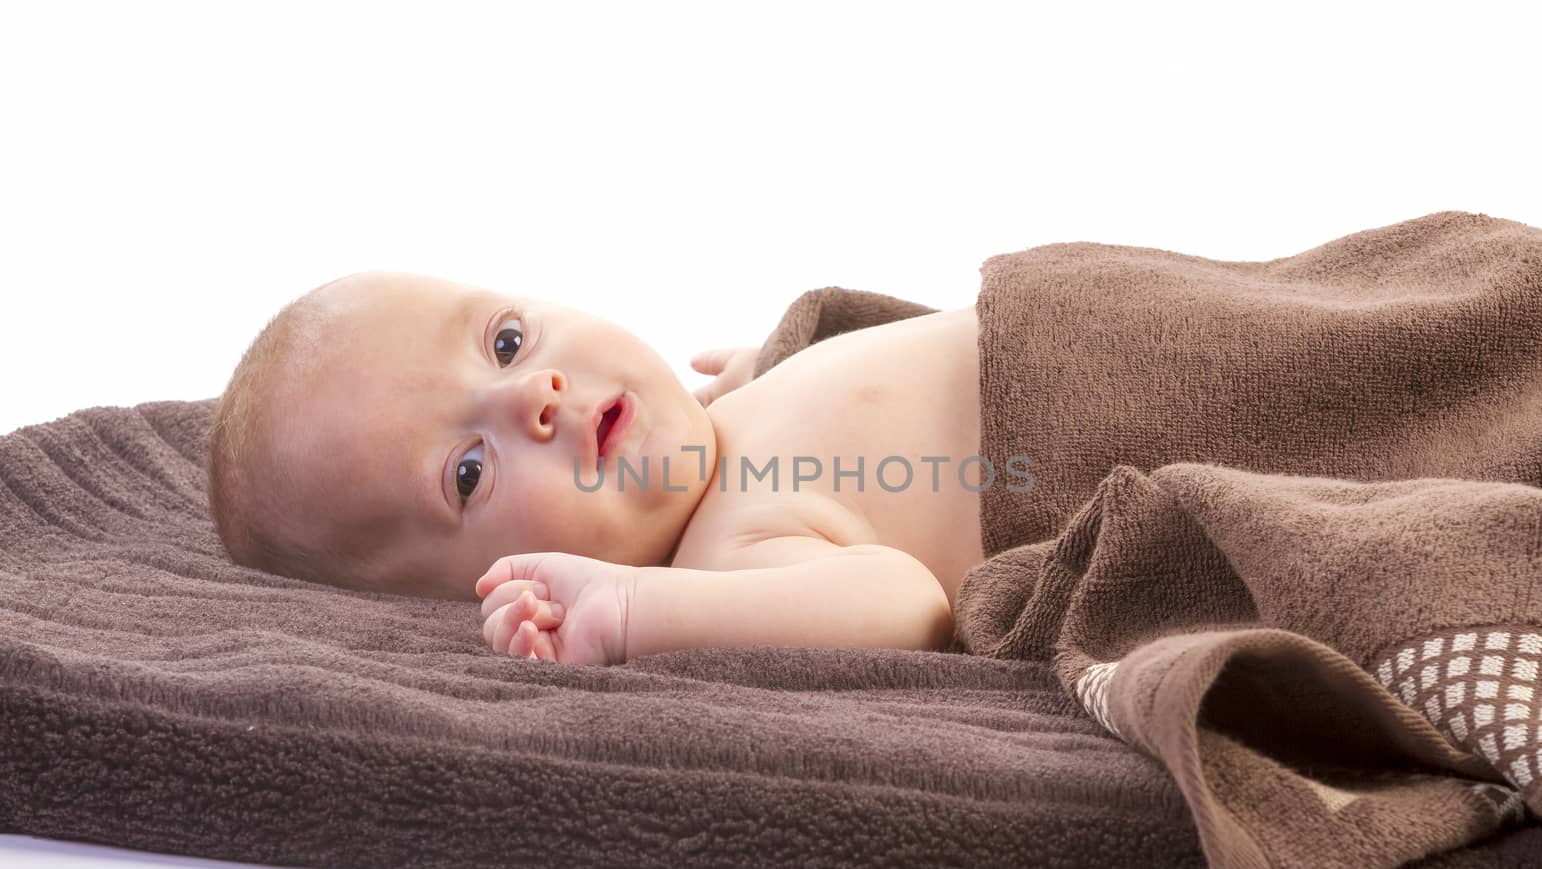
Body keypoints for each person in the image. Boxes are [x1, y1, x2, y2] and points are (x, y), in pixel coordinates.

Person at [206, 272, 987, 666]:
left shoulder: (727, 423)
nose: (531, 395)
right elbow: (907, 602)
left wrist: (776, 370)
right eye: (468, 473)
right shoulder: (728, 557)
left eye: (506, 343)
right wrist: (626, 609)